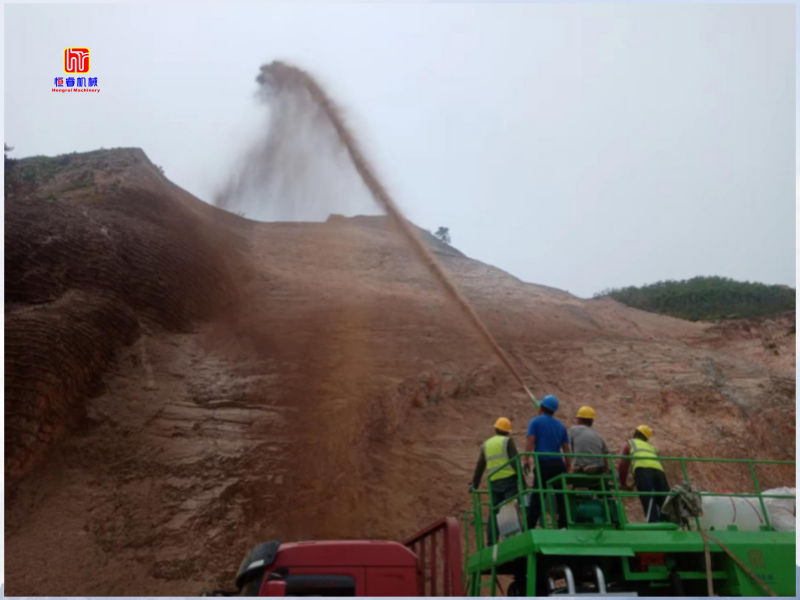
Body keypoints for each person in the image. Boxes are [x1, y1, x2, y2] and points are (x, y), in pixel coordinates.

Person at [522, 395, 572, 529]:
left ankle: (529, 527)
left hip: (543, 464)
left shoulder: (535, 422)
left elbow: (531, 440)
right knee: (561, 497)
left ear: (541, 407)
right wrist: (568, 465)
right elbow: (566, 448)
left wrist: (525, 459)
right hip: (558, 465)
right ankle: (564, 527)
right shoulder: (561, 426)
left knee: (537, 497)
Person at [471, 417, 520, 545]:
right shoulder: (508, 441)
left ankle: (491, 542)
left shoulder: (486, 444)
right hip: (509, 481)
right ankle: (513, 540)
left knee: (494, 512)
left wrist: (475, 483)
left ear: (495, 429)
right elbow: (515, 461)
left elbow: (480, 465)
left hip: (494, 482)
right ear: (508, 431)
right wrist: (522, 481)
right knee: (510, 509)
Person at [617, 425, 670, 523]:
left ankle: (653, 524)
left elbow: (623, 464)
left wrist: (623, 483)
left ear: (635, 433)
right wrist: (633, 483)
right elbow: (650, 464)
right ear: (646, 438)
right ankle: (668, 523)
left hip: (643, 471)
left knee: (649, 499)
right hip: (659, 472)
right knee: (664, 500)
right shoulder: (651, 447)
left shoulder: (630, 443)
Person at [570, 406, 611, 475]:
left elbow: (573, 453)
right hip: (598, 469)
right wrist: (607, 469)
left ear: (579, 420)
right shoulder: (598, 436)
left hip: (581, 469)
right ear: (592, 421)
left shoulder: (574, 430)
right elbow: (605, 455)